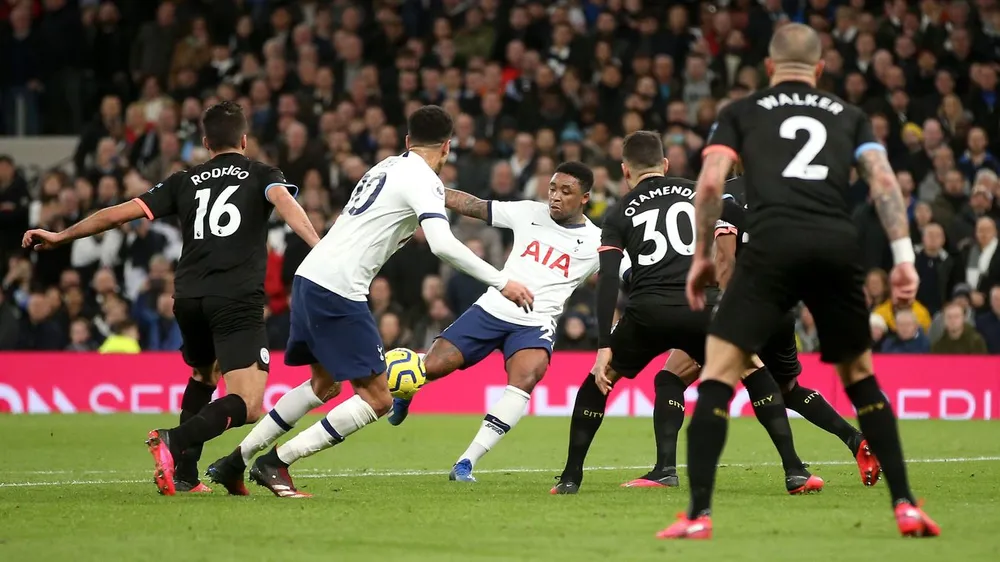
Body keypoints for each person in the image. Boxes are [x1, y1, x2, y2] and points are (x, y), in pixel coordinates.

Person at [674, 24, 938, 539]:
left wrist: (703, 257)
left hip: (771, 249)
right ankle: (905, 505)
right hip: (836, 246)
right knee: (860, 377)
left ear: (769, 69)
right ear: (820, 70)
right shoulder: (851, 115)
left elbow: (708, 184)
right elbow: (884, 183)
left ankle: (696, 517)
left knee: (720, 372)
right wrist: (904, 256)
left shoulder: (741, 113)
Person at [204, 105, 533, 498]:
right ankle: (276, 463)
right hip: (339, 289)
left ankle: (234, 462)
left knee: (322, 384)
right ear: (447, 147)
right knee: (377, 399)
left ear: (408, 141)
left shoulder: (385, 167)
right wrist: (501, 281)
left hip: (312, 277)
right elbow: (443, 245)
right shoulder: (422, 179)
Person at [22, 101, 320, 496]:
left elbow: (118, 213)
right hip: (234, 298)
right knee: (248, 404)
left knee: (202, 375)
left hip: (188, 297)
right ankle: (173, 441)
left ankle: (185, 474)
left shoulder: (185, 180)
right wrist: (319, 245)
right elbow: (285, 204)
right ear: (244, 140)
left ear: (205, 142)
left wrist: (61, 236)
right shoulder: (261, 173)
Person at [551, 132, 822, 496]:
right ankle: (795, 471)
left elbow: (610, 279)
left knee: (598, 381)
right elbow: (753, 226)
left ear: (625, 170)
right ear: (664, 164)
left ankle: (571, 477)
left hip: (648, 312)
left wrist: (604, 347)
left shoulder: (620, 210)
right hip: (703, 309)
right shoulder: (701, 192)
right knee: (753, 370)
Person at [383, 161, 600, 482]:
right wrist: (426, 190)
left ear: (585, 197)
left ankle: (465, 463)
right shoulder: (528, 211)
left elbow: (624, 274)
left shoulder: (597, 241)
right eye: (552, 188)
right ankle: (406, 391)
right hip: (492, 309)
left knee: (524, 381)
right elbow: (471, 205)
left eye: (565, 191)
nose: (554, 196)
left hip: (535, 323)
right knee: (434, 366)